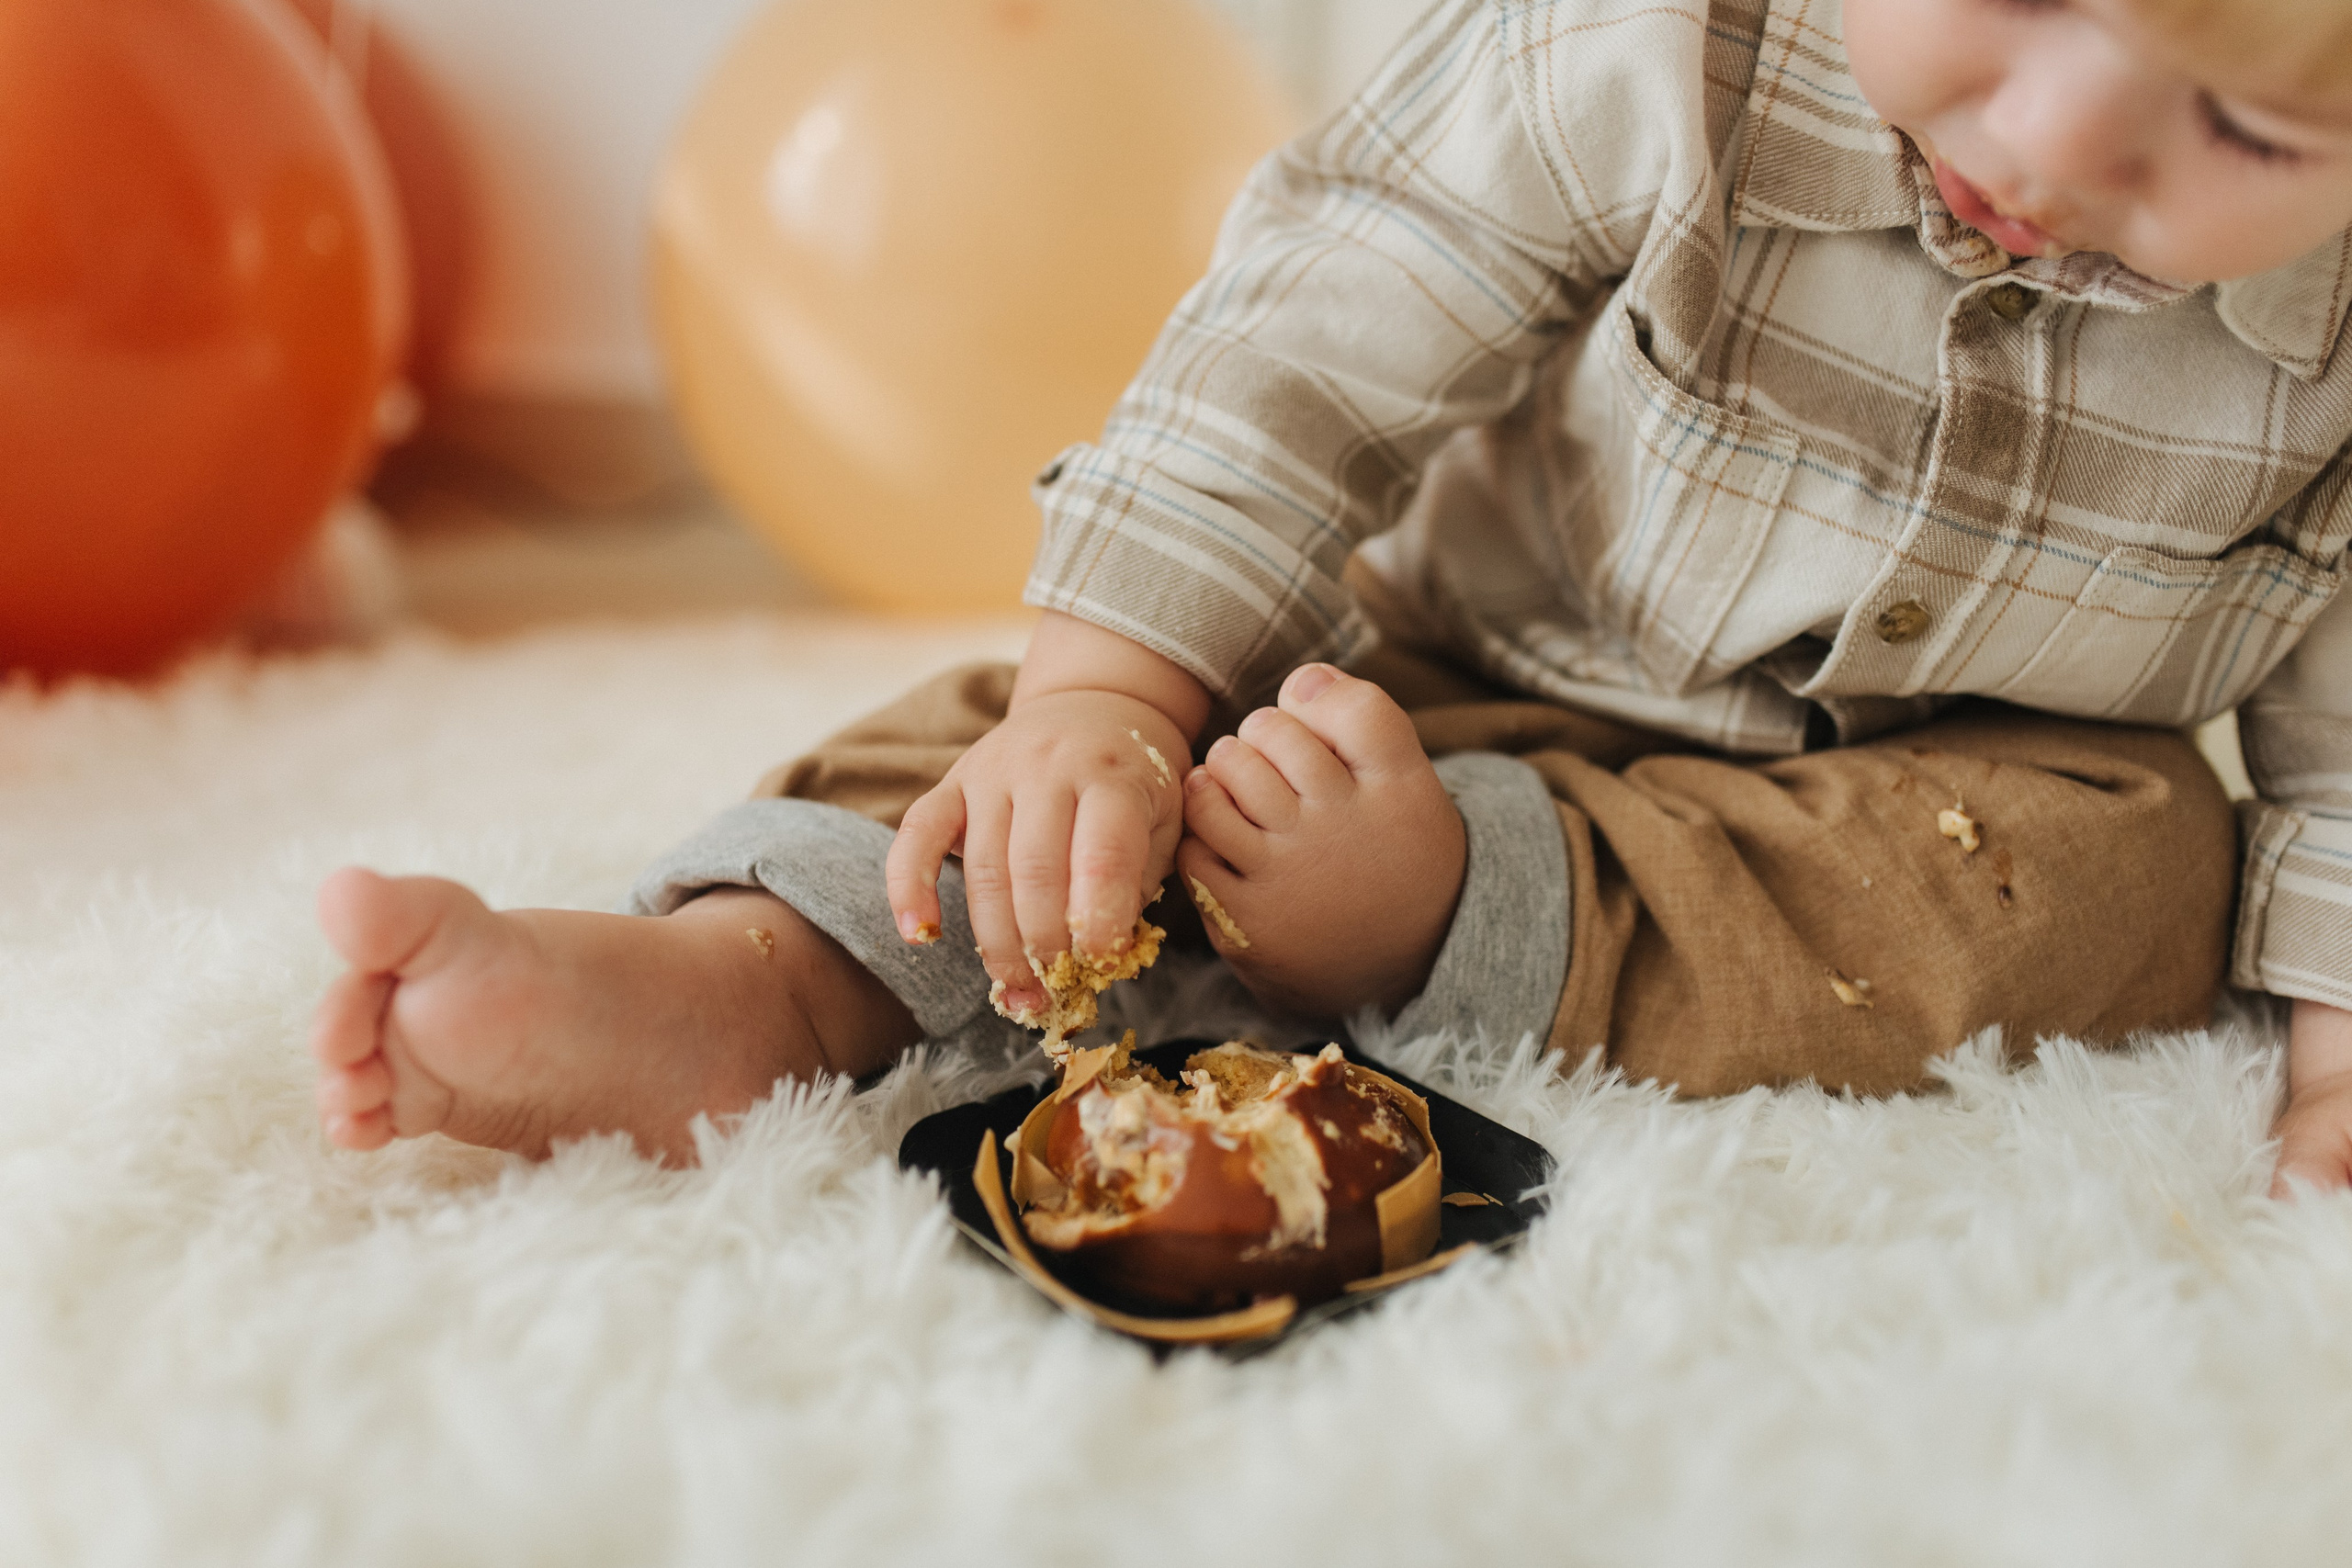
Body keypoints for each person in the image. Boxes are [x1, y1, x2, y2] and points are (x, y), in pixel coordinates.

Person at [309, 0, 2352, 1192]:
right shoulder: (1652, 51)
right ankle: (760, 972)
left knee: (2143, 875)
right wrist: (1104, 701)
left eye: (2245, 127)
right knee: (1056, 758)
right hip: (1415, 670)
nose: (2056, 144)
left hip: (1901, 809)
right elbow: (1307, 348)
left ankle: (1450, 913)